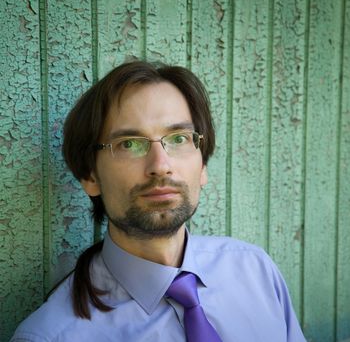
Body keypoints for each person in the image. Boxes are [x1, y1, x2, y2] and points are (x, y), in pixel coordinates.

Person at [11, 60, 306, 341]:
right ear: (90, 176)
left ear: (202, 165)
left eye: (178, 138)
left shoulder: (256, 271)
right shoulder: (51, 335)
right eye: (129, 144)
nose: (161, 165)